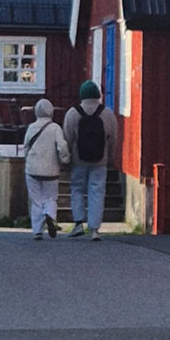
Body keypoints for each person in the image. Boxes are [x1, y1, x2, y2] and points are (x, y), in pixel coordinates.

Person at [64, 80, 119, 239]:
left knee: (77, 189)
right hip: (100, 160)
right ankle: (94, 229)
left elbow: (67, 137)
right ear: (98, 95)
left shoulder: (73, 113)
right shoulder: (107, 114)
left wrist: (67, 159)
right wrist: (111, 157)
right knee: (97, 192)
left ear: (81, 95)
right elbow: (113, 139)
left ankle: (78, 223)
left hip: (78, 159)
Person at [22, 98, 68, 240]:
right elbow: (62, 147)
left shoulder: (31, 127)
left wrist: (27, 160)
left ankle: (37, 231)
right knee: (50, 198)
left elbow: (26, 147)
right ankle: (50, 215)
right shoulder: (55, 128)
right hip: (51, 170)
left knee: (36, 200)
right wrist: (65, 159)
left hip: (32, 169)